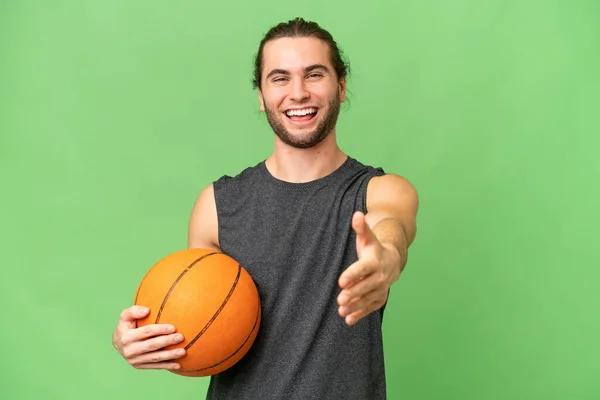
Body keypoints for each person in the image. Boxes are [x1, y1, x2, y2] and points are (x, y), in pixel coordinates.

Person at [112, 17, 419, 399]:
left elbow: (392, 227)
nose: (298, 92)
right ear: (261, 95)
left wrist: (386, 259)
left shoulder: (380, 190)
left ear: (340, 87)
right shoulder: (216, 204)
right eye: (280, 78)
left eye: (314, 75)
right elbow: (194, 321)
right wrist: (139, 335)